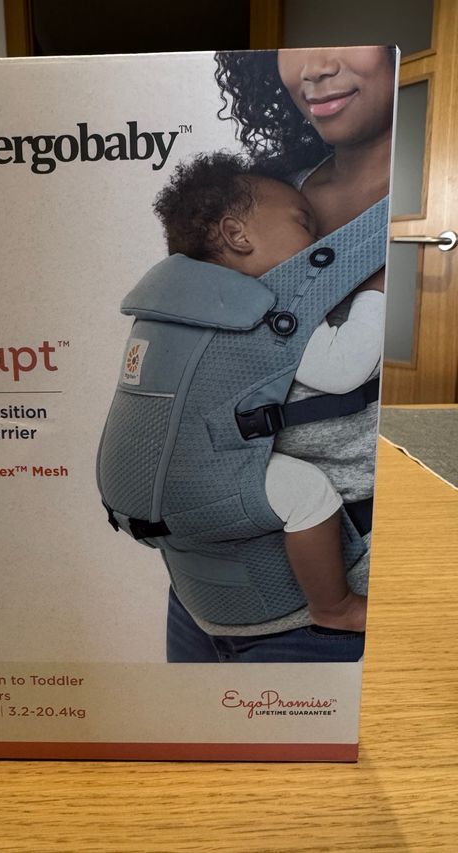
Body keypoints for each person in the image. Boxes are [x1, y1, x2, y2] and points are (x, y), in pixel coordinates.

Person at [162, 47, 395, 662]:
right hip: (203, 587)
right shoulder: (268, 194)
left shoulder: (433, 209)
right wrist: (375, 290)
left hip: (322, 605)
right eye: (299, 46)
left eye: (349, 35)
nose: (315, 66)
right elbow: (340, 364)